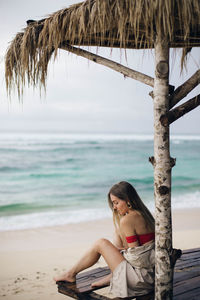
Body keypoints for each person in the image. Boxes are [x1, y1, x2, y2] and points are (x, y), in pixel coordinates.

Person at [54, 181, 155, 298]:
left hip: (141, 280)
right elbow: (138, 250)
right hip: (152, 274)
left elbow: (135, 258)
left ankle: (70, 274)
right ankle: (111, 275)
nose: (114, 207)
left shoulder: (128, 219)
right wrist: (121, 243)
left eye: (116, 203)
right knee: (115, 236)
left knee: (100, 243)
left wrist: (122, 249)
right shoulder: (144, 214)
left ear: (127, 199)